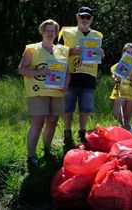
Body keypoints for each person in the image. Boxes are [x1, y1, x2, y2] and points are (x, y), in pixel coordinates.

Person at [18, 19, 70, 167]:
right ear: (42, 31)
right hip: (38, 93)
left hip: (57, 93)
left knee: (53, 122)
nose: (50, 33)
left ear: (56, 33)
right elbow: (21, 69)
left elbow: (67, 73)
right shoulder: (31, 49)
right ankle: (31, 155)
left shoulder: (63, 50)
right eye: (47, 30)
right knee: (37, 123)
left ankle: (47, 149)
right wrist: (38, 72)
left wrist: (65, 86)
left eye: (53, 31)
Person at [58, 6, 105, 149]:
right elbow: (56, 53)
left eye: (88, 17)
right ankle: (67, 133)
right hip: (70, 75)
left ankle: (82, 133)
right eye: (82, 17)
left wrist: (101, 54)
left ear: (91, 19)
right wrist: (71, 51)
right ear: (77, 17)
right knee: (68, 108)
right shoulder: (66, 32)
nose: (85, 20)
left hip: (89, 76)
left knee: (85, 108)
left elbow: (98, 55)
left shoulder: (98, 35)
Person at [110, 43, 132, 133]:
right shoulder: (119, 64)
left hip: (131, 92)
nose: (129, 54)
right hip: (120, 91)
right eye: (127, 51)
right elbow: (114, 76)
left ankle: (126, 133)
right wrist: (115, 78)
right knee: (116, 113)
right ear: (123, 53)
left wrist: (131, 76)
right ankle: (128, 128)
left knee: (127, 114)